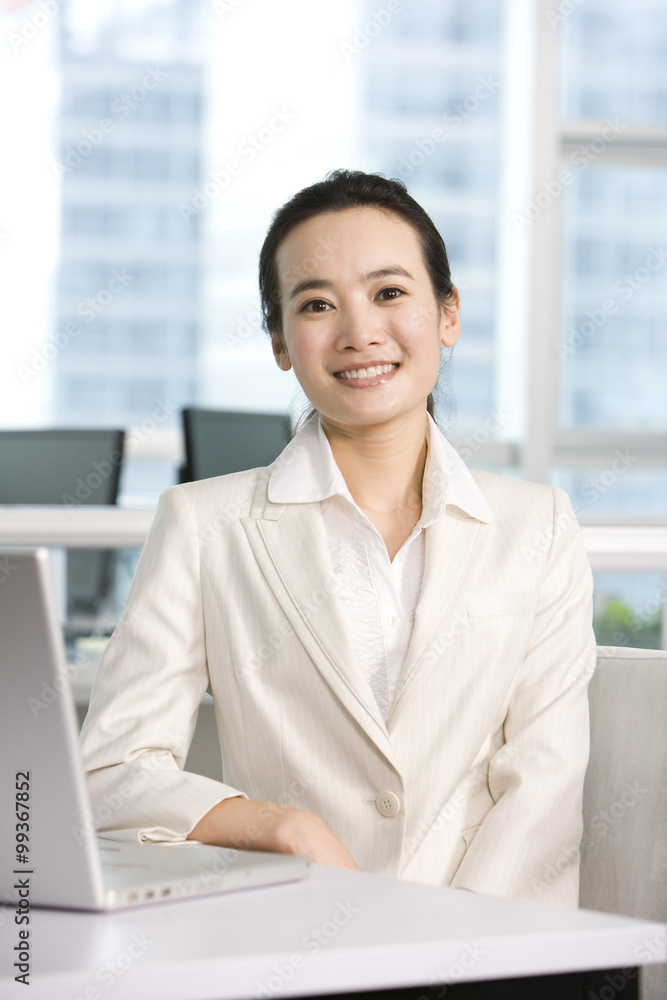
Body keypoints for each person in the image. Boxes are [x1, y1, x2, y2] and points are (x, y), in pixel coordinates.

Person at [80, 169, 596, 906]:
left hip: (496, 948)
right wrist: (280, 827)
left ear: (447, 314)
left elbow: (543, 782)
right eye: (316, 304)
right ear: (281, 343)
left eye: (389, 293)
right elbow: (111, 775)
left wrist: (443, 951)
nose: (359, 333)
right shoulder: (205, 526)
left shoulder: (537, 526)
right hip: (293, 937)